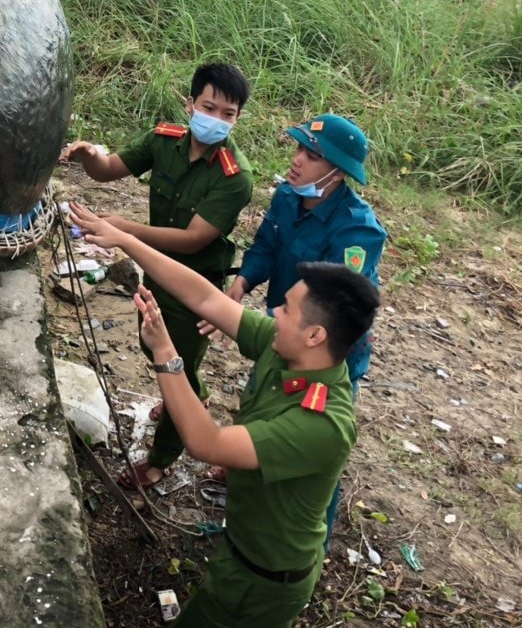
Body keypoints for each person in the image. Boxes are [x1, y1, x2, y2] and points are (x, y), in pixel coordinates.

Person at [73, 204, 380, 628]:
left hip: (263, 582)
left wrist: (165, 353)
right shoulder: (290, 351)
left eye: (287, 310)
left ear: (315, 335)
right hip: (242, 552)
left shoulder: (321, 424)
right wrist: (127, 240)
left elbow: (206, 444)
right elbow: (205, 298)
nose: (274, 314)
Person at [62, 63, 254, 491]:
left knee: (175, 367)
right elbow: (109, 169)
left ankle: (161, 458)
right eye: (210, 107)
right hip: (155, 274)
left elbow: (191, 240)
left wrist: (123, 230)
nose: (218, 119)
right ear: (190, 104)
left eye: (229, 114)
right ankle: (192, 398)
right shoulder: (163, 141)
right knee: (154, 347)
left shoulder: (235, 178)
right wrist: (91, 155)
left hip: (196, 289)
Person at [225, 113, 385, 538]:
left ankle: (312, 538)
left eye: (311, 156)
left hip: (323, 352)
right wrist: (242, 282)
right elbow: (265, 245)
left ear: (337, 173)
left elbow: (328, 303)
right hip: (284, 332)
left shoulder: (357, 230)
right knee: (265, 399)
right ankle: (251, 472)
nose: (296, 160)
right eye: (298, 148)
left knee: (315, 443)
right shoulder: (288, 196)